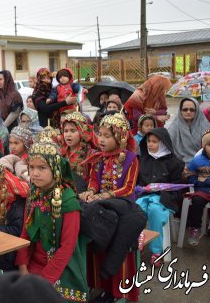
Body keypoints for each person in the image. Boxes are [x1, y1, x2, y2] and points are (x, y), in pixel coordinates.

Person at [16, 136, 88, 302]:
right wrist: (22, 268)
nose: (34, 173)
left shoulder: (68, 200)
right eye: (31, 167)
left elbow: (67, 247)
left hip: (62, 272)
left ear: (56, 168)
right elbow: (25, 234)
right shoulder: (34, 194)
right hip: (33, 267)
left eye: (42, 167)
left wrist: (45, 281)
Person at [79, 112, 140, 302]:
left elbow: (129, 188)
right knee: (96, 240)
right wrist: (90, 191)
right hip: (101, 207)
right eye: (100, 134)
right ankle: (100, 287)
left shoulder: (131, 159)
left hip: (123, 209)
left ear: (120, 137)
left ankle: (117, 292)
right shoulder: (99, 158)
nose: (101, 139)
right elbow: (94, 181)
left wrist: (106, 196)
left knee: (116, 246)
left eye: (107, 136)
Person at [136, 128, 184, 265]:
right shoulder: (142, 160)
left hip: (164, 198)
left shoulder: (174, 163)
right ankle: (135, 244)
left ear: (163, 143)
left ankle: (156, 251)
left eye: (154, 142)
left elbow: (176, 187)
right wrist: (140, 188)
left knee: (155, 211)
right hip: (144, 196)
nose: (150, 144)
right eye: (148, 141)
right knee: (136, 210)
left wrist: (161, 192)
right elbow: (137, 182)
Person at [185, 128, 210, 250]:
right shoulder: (198, 159)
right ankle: (195, 228)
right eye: (209, 144)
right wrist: (194, 181)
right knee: (197, 202)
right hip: (202, 189)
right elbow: (188, 172)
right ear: (204, 146)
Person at [0, 272, 67, 303]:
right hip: (30, 269)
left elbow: (67, 247)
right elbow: (24, 236)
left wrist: (44, 279)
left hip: (50, 272)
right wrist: (23, 267)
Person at [167, 98, 210, 164]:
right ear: (180, 111)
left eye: (192, 110)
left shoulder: (205, 126)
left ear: (197, 111)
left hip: (204, 163)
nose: (188, 112)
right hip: (178, 164)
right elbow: (168, 148)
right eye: (185, 109)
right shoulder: (173, 128)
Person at [60, 111, 98, 187]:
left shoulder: (91, 154)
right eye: (66, 131)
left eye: (73, 131)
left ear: (82, 132)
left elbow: (94, 181)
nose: (68, 135)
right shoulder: (61, 153)